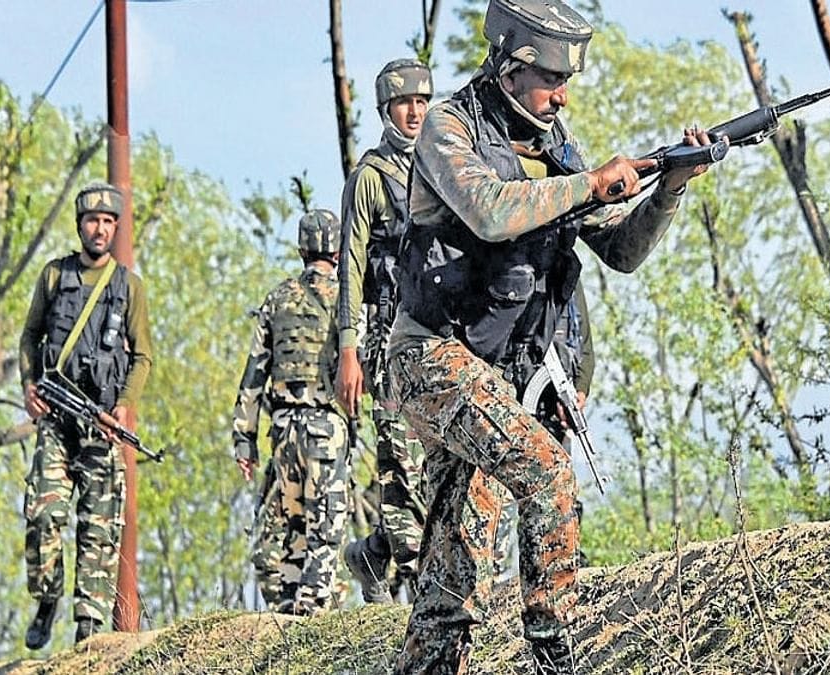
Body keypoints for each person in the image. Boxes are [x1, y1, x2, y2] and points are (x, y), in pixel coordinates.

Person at [387, 0, 711, 671]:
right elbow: (487, 211)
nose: (561, 94)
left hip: (491, 369)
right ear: (508, 69)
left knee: (457, 560)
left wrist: (667, 189)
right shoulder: (449, 126)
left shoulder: (558, 147)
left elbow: (619, 250)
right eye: (550, 80)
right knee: (545, 469)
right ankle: (554, 650)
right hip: (429, 355)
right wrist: (589, 184)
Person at [19, 182, 153, 648]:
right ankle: (46, 596)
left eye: (108, 221)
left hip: (101, 426)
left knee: (99, 530)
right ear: (80, 225)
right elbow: (29, 336)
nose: (100, 229)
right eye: (93, 220)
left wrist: (122, 406)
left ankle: (88, 634)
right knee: (45, 514)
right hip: (57, 420)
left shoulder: (128, 286)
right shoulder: (55, 276)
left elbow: (143, 357)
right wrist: (29, 387)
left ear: (115, 228)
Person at [336, 58, 434, 604]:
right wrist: (349, 348)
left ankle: (373, 553)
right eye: (404, 103)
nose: (415, 112)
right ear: (385, 110)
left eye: (422, 102)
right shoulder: (370, 177)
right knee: (399, 459)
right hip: (386, 334)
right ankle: (426, 592)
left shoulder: (444, 164)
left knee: (436, 459)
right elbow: (350, 264)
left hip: (438, 330)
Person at [232, 209, 351, 616]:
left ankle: (286, 611)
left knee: (283, 531)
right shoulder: (349, 301)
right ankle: (313, 614)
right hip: (327, 429)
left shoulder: (278, 298)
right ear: (337, 251)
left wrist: (243, 439)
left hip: (283, 432)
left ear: (302, 249)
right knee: (325, 529)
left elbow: (253, 374)